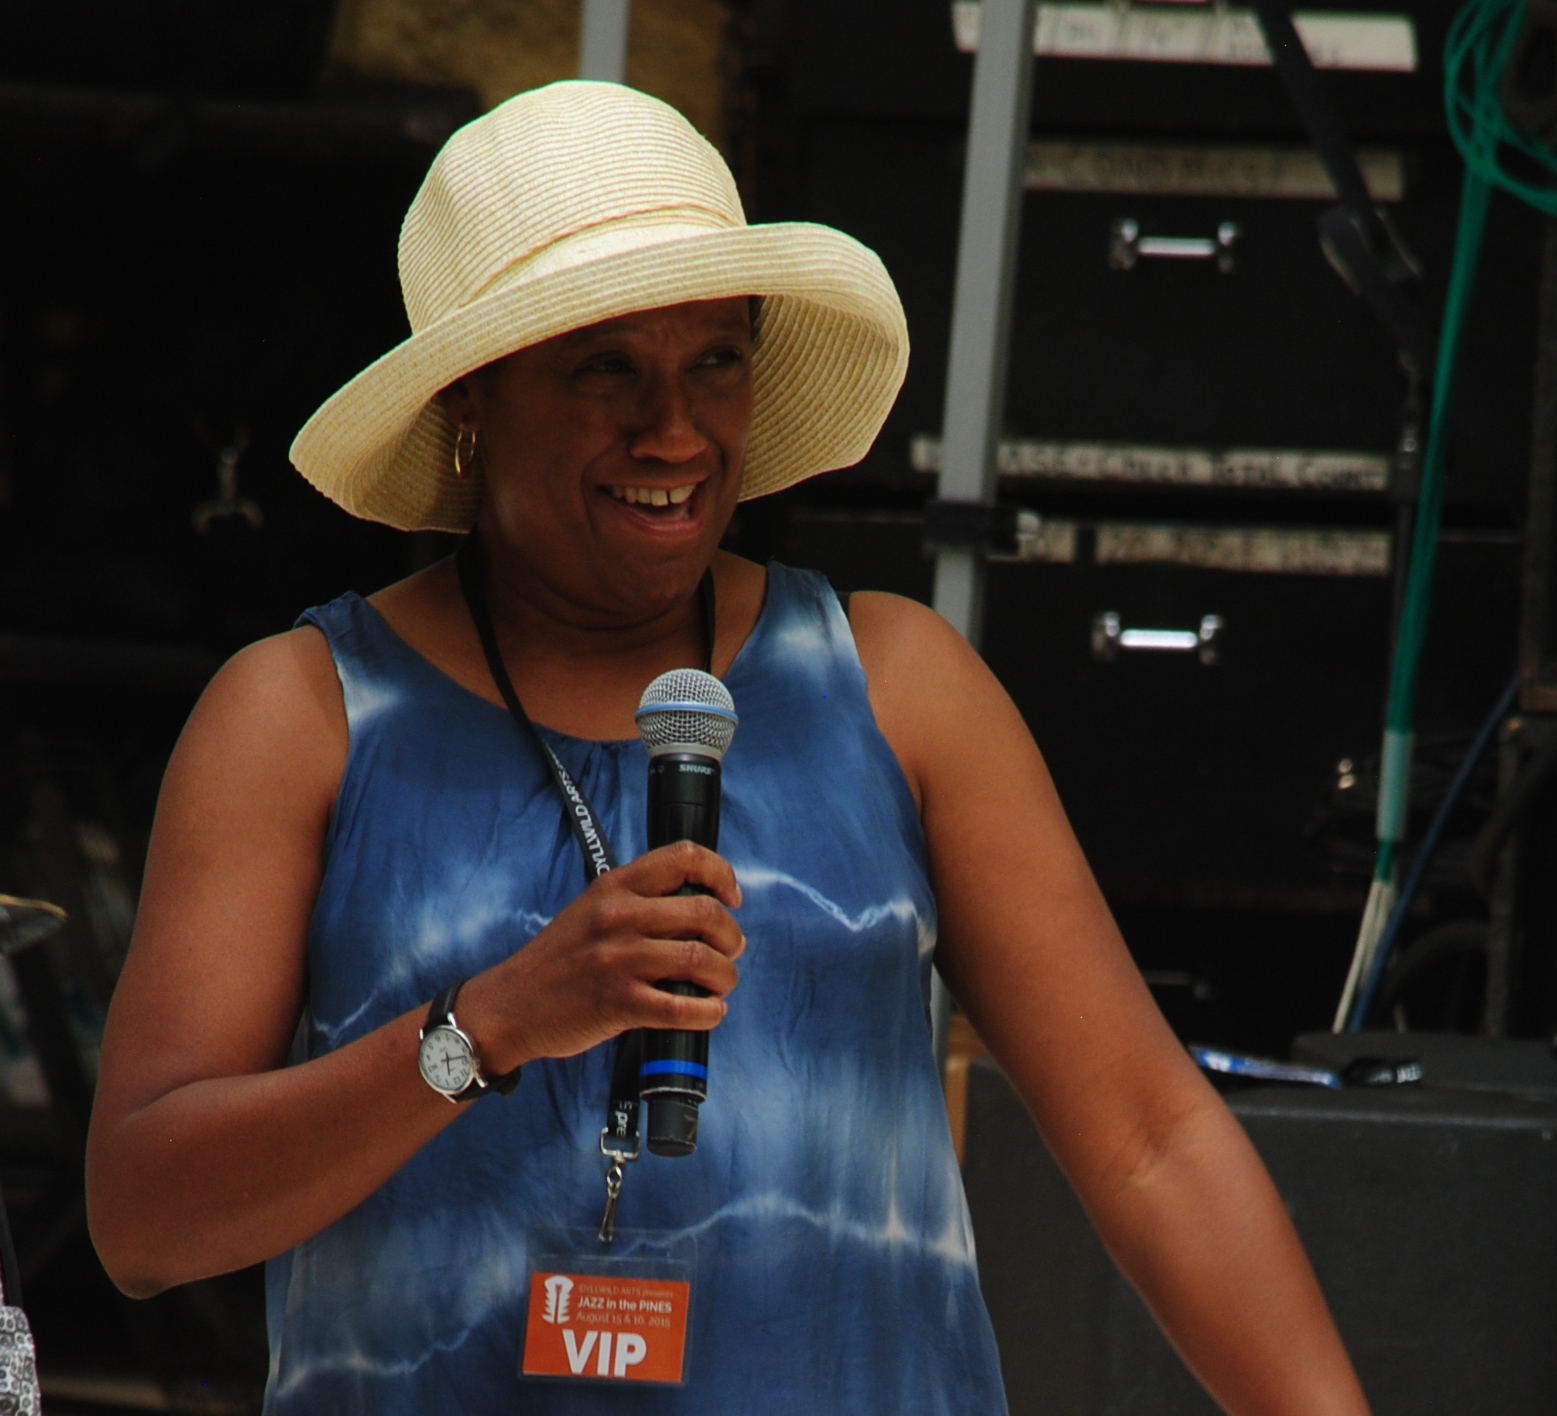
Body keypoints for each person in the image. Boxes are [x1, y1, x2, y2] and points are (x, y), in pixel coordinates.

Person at [84, 81, 1370, 1416]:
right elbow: (144, 1221)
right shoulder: (301, 717)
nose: (677, 431)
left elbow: (1151, 1141)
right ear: (470, 398)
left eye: (716, 360)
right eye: (605, 367)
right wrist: (492, 1025)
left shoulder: (896, 686)